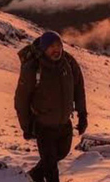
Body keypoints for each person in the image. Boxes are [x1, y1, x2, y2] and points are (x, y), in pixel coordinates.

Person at [15, 31, 88, 182]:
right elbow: (21, 100)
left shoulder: (68, 63)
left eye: (59, 45)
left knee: (61, 153)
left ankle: (34, 175)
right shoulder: (33, 68)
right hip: (43, 125)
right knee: (50, 167)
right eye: (51, 46)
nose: (56, 49)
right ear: (43, 48)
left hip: (64, 124)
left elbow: (79, 89)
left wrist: (82, 116)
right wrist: (26, 127)